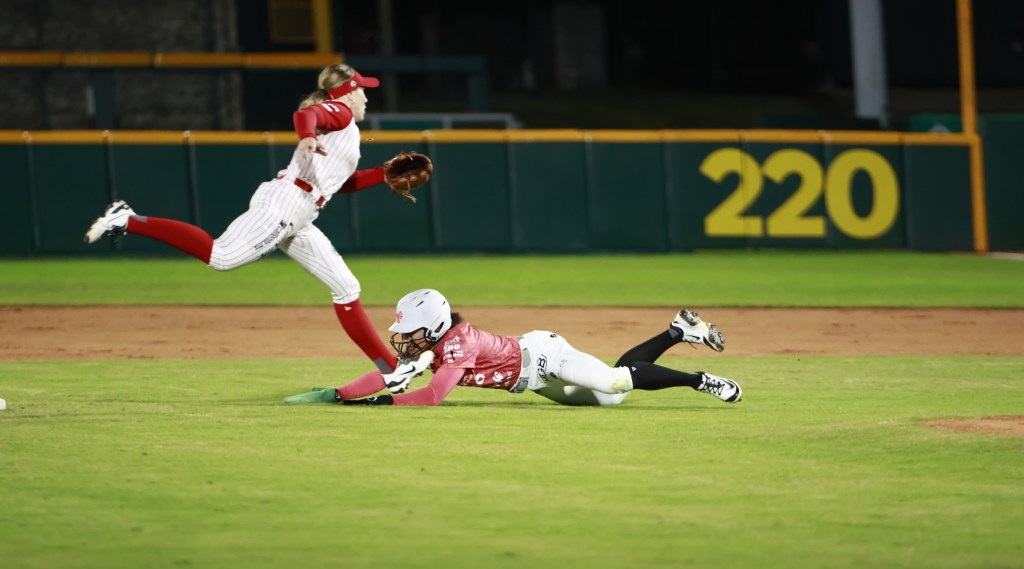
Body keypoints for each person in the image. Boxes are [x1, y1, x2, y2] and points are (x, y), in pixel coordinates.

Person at [84, 63, 407, 374]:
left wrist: (382, 174)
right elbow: (306, 114)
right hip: (286, 203)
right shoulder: (342, 112)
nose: (366, 96)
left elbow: (342, 184)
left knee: (346, 287)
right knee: (221, 256)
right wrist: (306, 135)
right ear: (348, 92)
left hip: (302, 209)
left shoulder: (347, 129)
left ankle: (390, 370)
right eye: (362, 90)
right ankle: (128, 219)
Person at [285, 289, 742, 407]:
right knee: (616, 394)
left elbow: (432, 396)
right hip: (531, 382)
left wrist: (380, 404)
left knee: (615, 381)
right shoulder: (438, 341)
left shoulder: (456, 342)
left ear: (435, 325)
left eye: (412, 330)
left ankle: (701, 381)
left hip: (546, 356)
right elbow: (394, 375)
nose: (405, 338)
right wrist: (340, 395)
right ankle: (678, 332)